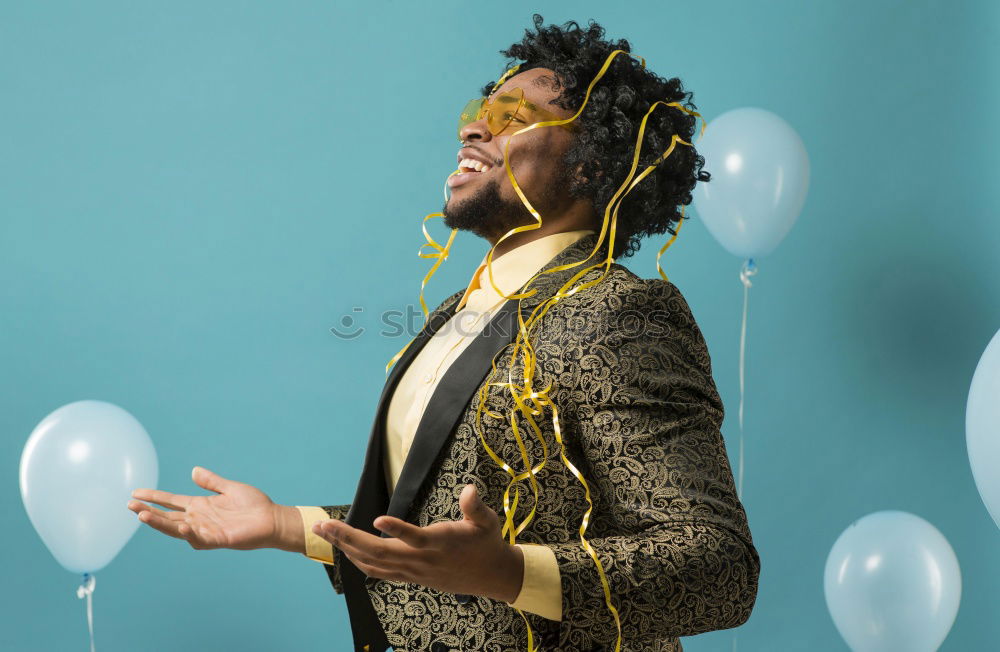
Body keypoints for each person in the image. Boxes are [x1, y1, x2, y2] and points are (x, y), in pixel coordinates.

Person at [127, 15, 760, 652]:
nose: (473, 126)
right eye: (481, 108)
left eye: (514, 114)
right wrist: (286, 524)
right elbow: (433, 531)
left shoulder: (622, 315)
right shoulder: (464, 307)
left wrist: (514, 573)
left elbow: (719, 569)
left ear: (592, 168)